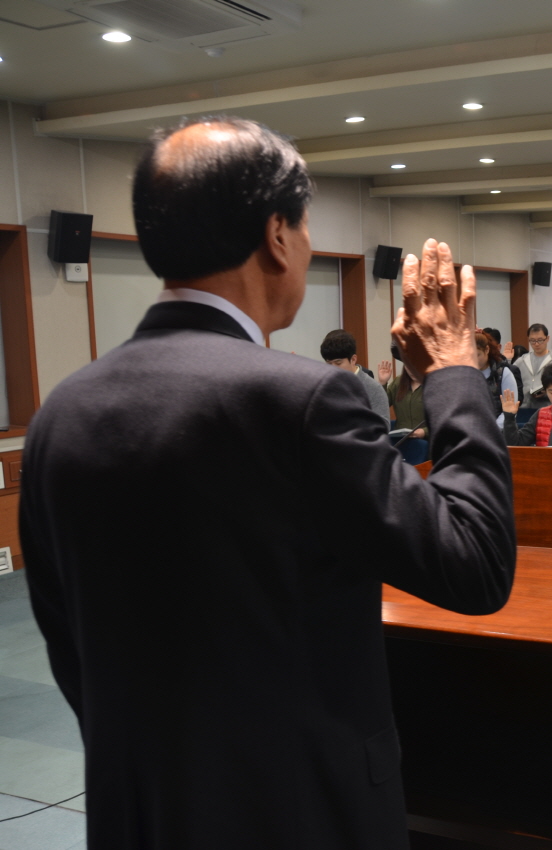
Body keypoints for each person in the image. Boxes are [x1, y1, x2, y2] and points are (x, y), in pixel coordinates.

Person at [19, 118, 517, 850]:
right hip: (302, 813)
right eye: (306, 224)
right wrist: (452, 376)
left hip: (138, 807)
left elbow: (67, 634)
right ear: (277, 235)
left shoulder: (62, 410)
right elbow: (474, 562)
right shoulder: (302, 400)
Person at [321, 328, 391, 423]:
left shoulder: (373, 389)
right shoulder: (323, 387)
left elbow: (382, 427)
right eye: (329, 364)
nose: (333, 369)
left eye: (338, 363)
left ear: (353, 359)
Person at [477, 332, 519, 428]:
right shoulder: (466, 373)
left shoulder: (503, 373)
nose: (474, 359)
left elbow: (510, 409)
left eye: (478, 355)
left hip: (498, 432)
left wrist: (493, 429)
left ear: (487, 350)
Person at [514, 323, 552, 408]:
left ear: (547, 339)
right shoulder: (522, 361)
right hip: (524, 408)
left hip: (548, 407)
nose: (536, 344)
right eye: (532, 340)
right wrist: (507, 359)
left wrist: (547, 391)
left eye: (540, 340)